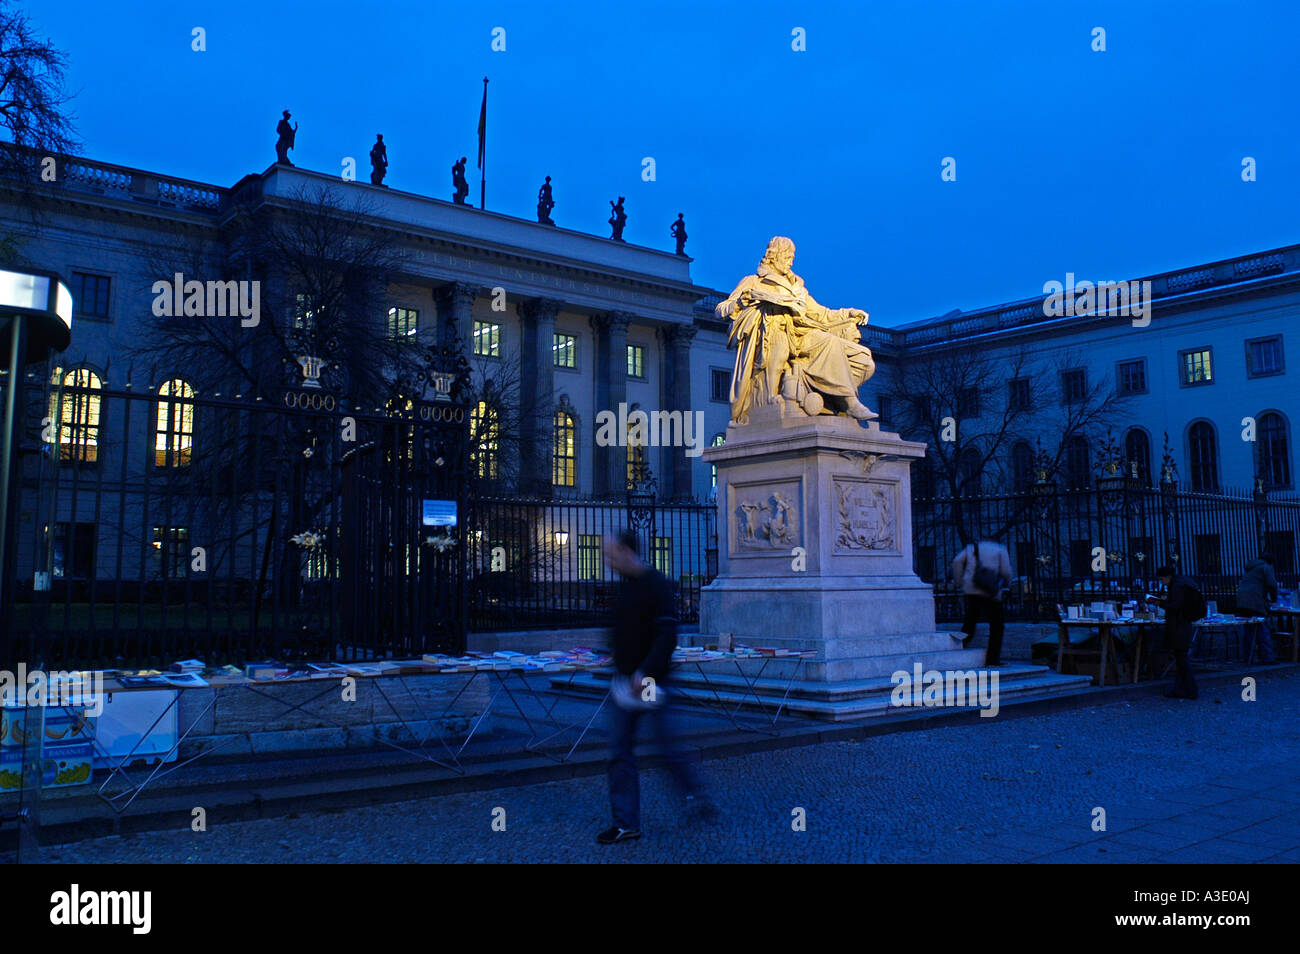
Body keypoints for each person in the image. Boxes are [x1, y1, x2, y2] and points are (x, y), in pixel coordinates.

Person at [598, 529, 713, 844]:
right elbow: (624, 632)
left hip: (652, 681)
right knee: (619, 752)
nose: (608, 561)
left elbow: (667, 635)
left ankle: (694, 795)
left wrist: (645, 672)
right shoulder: (624, 589)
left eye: (610, 554)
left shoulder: (657, 585)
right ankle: (626, 823)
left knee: (665, 747)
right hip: (625, 682)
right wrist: (616, 660)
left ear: (625, 551)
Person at [950, 538, 1013, 666]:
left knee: (970, 621)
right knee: (996, 626)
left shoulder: (971, 548)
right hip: (990, 591)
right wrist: (1006, 585)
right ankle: (992, 659)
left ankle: (960, 649)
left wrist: (959, 582)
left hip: (971, 589)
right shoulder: (1000, 549)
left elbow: (956, 561)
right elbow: (1006, 571)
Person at [1146, 565, 1202, 699]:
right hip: (1183, 624)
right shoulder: (1183, 583)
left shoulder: (1177, 587)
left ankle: (1190, 690)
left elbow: (1175, 606)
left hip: (1178, 626)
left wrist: (1160, 603)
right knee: (1181, 659)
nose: (1161, 583)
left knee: (1182, 660)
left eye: (1161, 579)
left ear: (1167, 577)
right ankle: (1181, 689)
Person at [1234, 553, 1278, 664]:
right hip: (1255, 603)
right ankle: (1267, 658)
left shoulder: (1250, 569)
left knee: (1248, 631)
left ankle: (1248, 657)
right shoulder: (1266, 567)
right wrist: (1274, 599)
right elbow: (1272, 585)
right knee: (1262, 629)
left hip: (1242, 602)